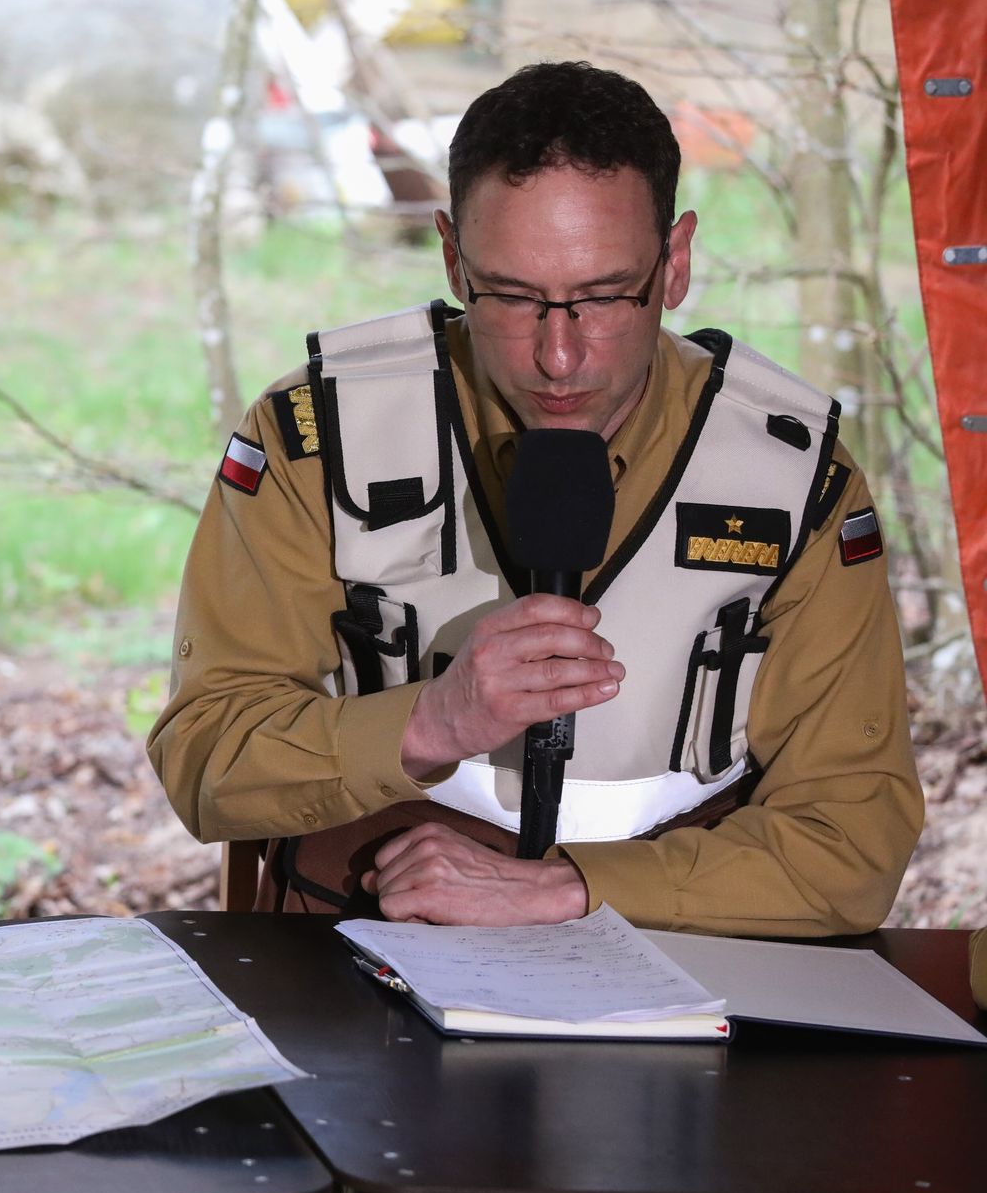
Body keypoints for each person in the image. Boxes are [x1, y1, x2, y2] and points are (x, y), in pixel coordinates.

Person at [148, 62, 922, 934]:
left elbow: (853, 840)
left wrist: (569, 890)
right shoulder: (318, 438)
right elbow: (205, 758)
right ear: (450, 255)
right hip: (370, 938)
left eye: (602, 297)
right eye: (512, 297)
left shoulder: (792, 478)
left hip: (690, 953)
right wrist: (431, 722)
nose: (560, 356)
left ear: (675, 264)